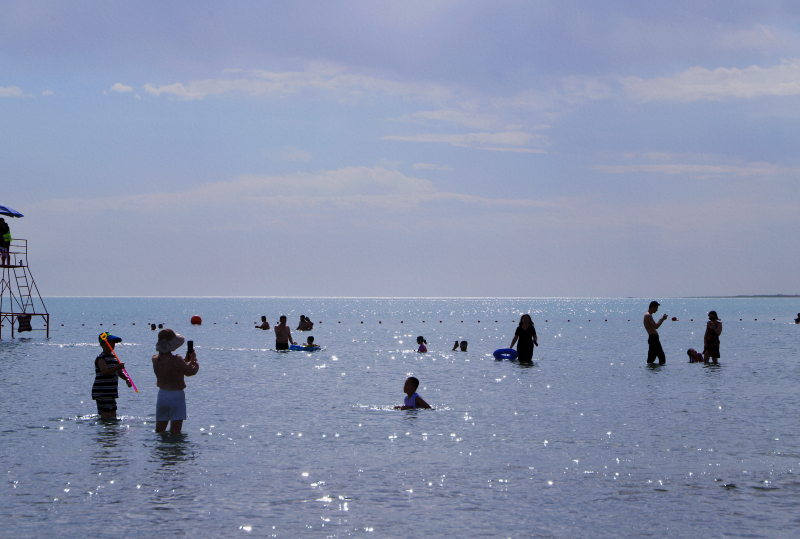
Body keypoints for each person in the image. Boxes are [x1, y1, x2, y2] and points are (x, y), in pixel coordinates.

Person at [152, 329, 198, 434]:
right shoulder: (176, 360)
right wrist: (194, 360)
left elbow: (171, 368)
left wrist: (185, 361)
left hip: (162, 395)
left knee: (159, 431)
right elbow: (191, 371)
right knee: (175, 433)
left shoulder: (155, 359)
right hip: (176, 396)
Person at [92, 333, 131, 419]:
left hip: (111, 392)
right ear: (102, 344)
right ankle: (104, 431)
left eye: (113, 343)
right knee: (106, 416)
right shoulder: (101, 358)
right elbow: (105, 372)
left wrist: (126, 379)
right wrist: (117, 367)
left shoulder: (114, 358)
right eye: (109, 342)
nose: (112, 345)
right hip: (102, 392)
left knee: (113, 416)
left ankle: (112, 432)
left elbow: (119, 372)